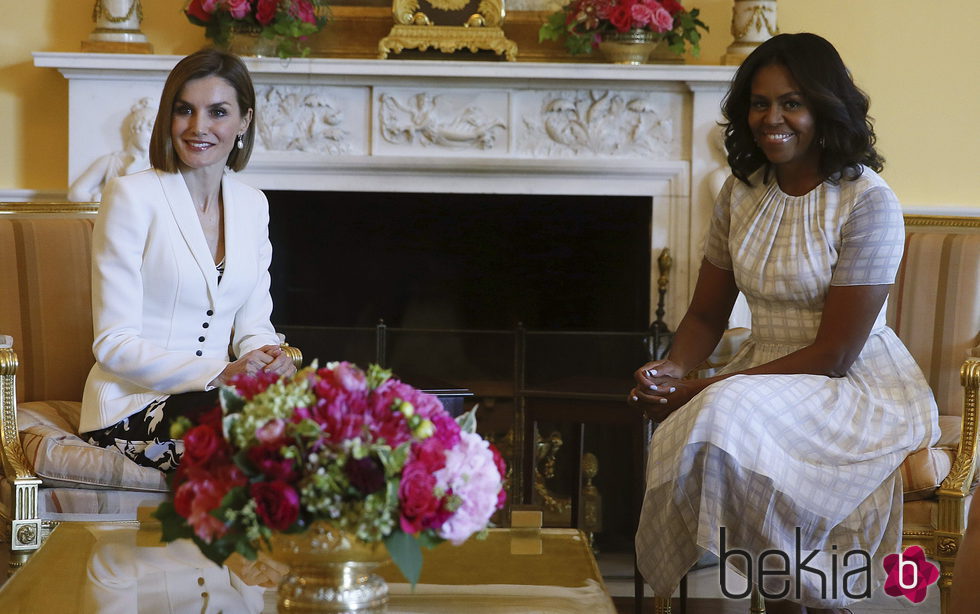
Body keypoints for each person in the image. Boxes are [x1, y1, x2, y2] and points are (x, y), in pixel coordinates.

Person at [629, 33, 939, 614]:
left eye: (791, 102)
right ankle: (789, 603)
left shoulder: (867, 201)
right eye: (759, 102)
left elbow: (835, 353)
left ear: (824, 108)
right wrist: (670, 369)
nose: (772, 118)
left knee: (720, 416)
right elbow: (704, 314)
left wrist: (695, 391)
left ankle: (819, 601)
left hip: (851, 385)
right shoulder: (739, 193)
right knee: (712, 423)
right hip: (763, 373)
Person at [80, 49, 296, 473]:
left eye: (218, 112)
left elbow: (253, 327)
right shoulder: (130, 197)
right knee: (249, 435)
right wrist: (221, 373)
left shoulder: (253, 205)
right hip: (129, 407)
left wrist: (269, 356)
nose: (199, 127)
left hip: (218, 399)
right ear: (168, 117)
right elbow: (113, 342)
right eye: (185, 110)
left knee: (318, 423)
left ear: (244, 122)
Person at [68, 97, 156, 203]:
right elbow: (75, 193)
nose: (154, 138)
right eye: (150, 130)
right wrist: (98, 200)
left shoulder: (157, 163)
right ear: (134, 128)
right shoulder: (110, 161)